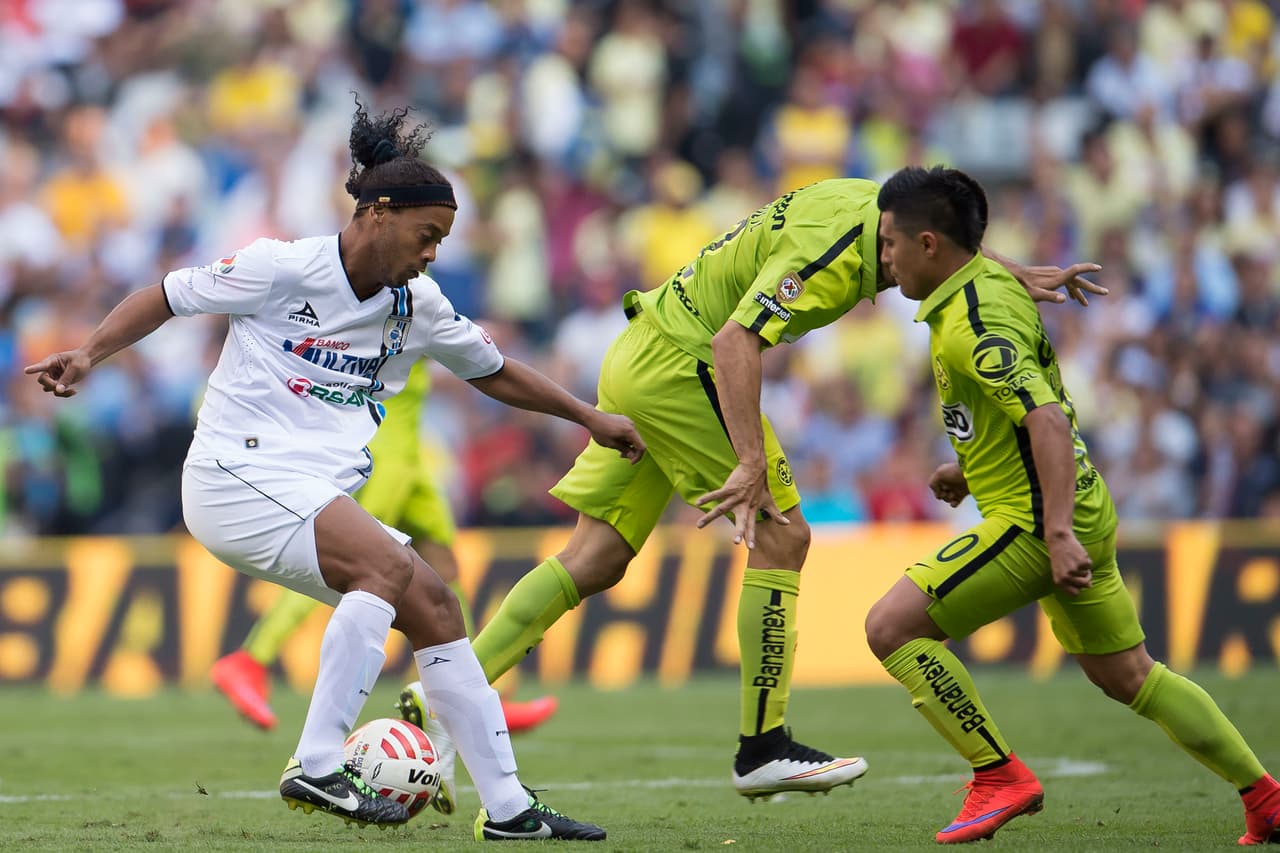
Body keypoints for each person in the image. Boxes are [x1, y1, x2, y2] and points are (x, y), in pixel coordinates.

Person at [26, 99, 643, 841]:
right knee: (384, 566)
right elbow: (166, 295)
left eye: (441, 242)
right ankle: (318, 760)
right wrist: (89, 352)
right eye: (427, 235)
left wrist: (590, 416)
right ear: (378, 214)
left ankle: (509, 808)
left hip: (309, 492)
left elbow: (495, 371)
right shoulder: (282, 268)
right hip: (231, 474)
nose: (432, 254)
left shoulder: (416, 305)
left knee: (438, 608)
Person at [401, 175, 1105, 803]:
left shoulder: (874, 204)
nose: (891, 266)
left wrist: (1009, 273)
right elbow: (736, 342)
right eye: (890, 250)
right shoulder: (833, 256)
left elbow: (935, 247)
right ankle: (762, 746)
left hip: (641, 353)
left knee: (597, 555)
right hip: (687, 362)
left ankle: (439, 691)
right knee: (781, 534)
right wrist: (748, 460)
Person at [865, 165, 1280, 845]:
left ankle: (997, 773)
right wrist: (972, 469)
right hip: (1078, 503)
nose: (883, 259)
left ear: (931, 245)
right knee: (1132, 676)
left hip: (1037, 521)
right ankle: (1266, 796)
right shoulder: (990, 281)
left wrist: (1055, 533)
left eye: (890, 244)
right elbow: (1020, 418)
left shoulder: (974, 321)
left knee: (891, 628)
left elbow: (1048, 421)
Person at [209, 358, 558, 747]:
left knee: (442, 565)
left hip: (411, 453)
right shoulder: (394, 301)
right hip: (382, 449)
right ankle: (252, 658)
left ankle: (478, 690)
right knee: (352, 559)